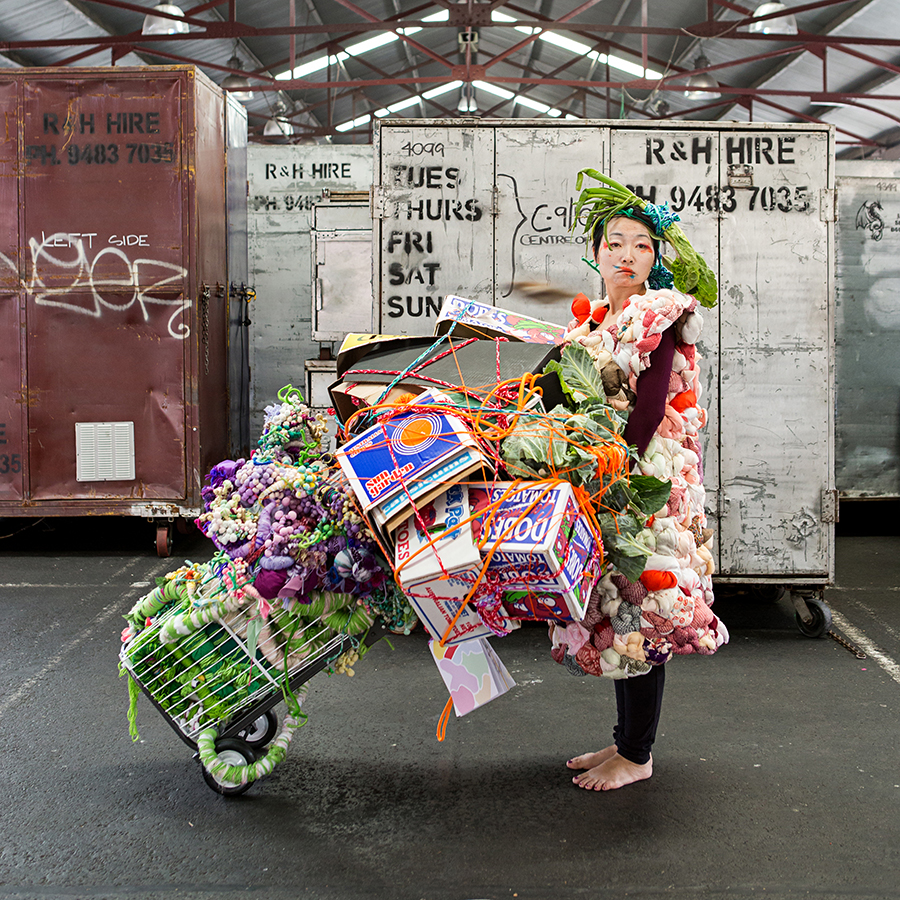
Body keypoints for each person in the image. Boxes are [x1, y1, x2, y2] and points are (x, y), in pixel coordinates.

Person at [547, 194, 728, 791]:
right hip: (606, 476)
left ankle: (638, 754)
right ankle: (626, 741)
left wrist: (611, 461)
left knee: (645, 612)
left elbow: (649, 408)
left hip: (645, 482)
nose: (627, 255)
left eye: (642, 245)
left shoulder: (662, 315)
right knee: (618, 604)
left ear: (655, 258)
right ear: (595, 251)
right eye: (615, 243)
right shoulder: (591, 319)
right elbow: (557, 391)